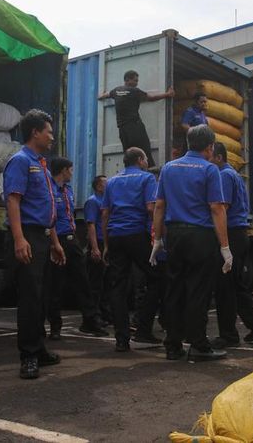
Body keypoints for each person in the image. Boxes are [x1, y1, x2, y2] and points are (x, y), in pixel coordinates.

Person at [151, 125, 231, 361]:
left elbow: (159, 205)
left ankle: (172, 345)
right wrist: (225, 247)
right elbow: (216, 208)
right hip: (200, 236)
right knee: (199, 291)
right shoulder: (209, 169)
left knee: (174, 289)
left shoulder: (168, 167)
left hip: (174, 234)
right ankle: (198, 344)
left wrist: (157, 238)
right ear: (210, 147)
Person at [3, 109, 67, 380]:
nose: (52, 137)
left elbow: (48, 206)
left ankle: (39, 349)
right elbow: (13, 201)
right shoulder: (20, 161)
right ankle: (28, 356)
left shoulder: (41, 163)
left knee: (41, 296)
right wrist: (19, 239)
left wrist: (54, 242)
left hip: (42, 236)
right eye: (49, 132)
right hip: (27, 234)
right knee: (30, 298)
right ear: (35, 133)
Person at [209, 142, 253, 349]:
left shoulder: (224, 176)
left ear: (218, 157)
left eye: (210, 157)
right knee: (236, 286)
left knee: (224, 287)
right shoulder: (232, 174)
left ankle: (228, 335)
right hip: (239, 234)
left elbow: (222, 208)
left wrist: (221, 242)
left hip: (231, 234)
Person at [101, 147, 160, 352]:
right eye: (145, 159)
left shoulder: (112, 181)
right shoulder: (147, 179)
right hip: (137, 234)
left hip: (116, 235)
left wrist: (106, 244)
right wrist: (157, 237)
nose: (146, 162)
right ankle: (143, 327)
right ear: (139, 160)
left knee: (117, 286)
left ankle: (121, 339)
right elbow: (151, 209)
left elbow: (105, 214)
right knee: (157, 277)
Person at [46, 157, 107, 340]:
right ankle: (55, 327)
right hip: (58, 240)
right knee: (55, 285)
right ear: (63, 170)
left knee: (83, 282)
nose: (72, 173)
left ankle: (90, 322)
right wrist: (54, 243)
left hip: (73, 241)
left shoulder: (68, 190)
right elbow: (49, 218)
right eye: (70, 170)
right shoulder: (49, 190)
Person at [98, 70, 175, 168]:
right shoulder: (134, 91)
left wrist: (101, 96)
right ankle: (151, 173)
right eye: (135, 80)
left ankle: (130, 173)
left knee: (129, 155)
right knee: (145, 152)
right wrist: (167, 94)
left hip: (123, 130)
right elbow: (151, 97)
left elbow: (107, 94)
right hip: (135, 127)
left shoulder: (116, 91)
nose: (136, 83)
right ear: (127, 80)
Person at [83, 175, 112, 323]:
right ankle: (94, 315)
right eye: (106, 182)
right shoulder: (93, 202)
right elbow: (91, 225)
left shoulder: (106, 202)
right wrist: (95, 248)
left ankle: (105, 313)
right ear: (99, 187)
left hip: (106, 243)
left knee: (107, 282)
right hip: (98, 243)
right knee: (95, 283)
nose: (109, 184)